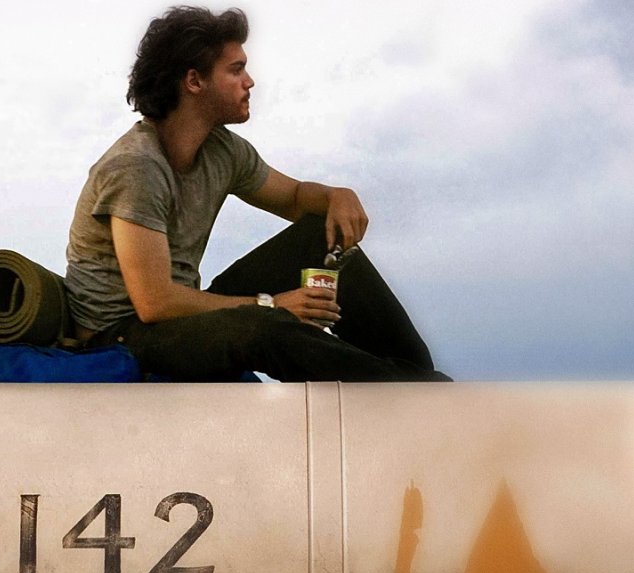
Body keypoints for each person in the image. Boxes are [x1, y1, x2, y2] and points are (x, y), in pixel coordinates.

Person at [64, 6, 448, 382]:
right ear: (194, 81)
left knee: (318, 234)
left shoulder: (223, 151)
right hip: (119, 336)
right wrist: (272, 304)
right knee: (263, 327)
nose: (249, 82)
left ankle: (420, 381)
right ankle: (405, 392)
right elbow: (154, 303)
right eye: (236, 70)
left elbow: (295, 198)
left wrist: (336, 196)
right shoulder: (137, 167)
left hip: (175, 314)